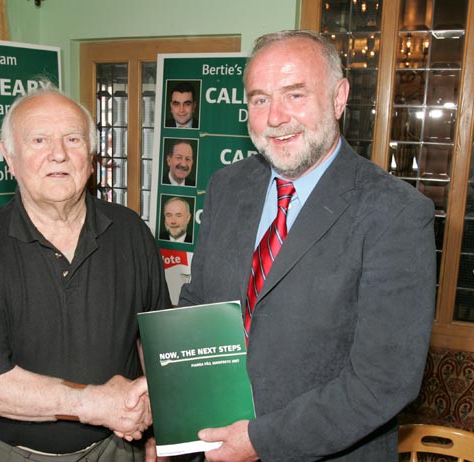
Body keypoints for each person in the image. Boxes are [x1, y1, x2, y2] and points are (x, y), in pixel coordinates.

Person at [179, 30, 436, 462]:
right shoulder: (227, 186)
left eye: (294, 95)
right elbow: (198, 303)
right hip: (214, 444)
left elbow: (384, 380)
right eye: (260, 99)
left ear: (339, 98)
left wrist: (261, 442)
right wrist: (171, 390)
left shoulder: (395, 212)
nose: (275, 117)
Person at [0, 85, 171, 461]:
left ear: (91, 156)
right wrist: (94, 403)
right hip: (16, 453)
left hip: (116, 447)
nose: (58, 154)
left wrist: (162, 430)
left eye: (73, 139)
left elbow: (155, 340)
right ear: (9, 158)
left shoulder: (131, 232)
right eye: (39, 140)